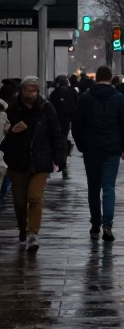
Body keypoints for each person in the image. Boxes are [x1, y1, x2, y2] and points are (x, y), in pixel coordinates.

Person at [71, 64, 124, 242]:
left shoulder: (85, 98)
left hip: (91, 149)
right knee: (108, 187)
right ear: (110, 77)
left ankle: (95, 224)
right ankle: (107, 224)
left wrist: (82, 145)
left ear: (96, 78)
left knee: (93, 187)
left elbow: (76, 124)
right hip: (112, 149)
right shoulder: (119, 99)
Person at [1, 77, 64, 251]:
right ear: (21, 91)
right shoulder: (13, 109)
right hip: (17, 161)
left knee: (35, 198)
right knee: (20, 201)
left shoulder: (46, 108)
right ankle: (22, 228)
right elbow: (2, 139)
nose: (30, 94)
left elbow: (55, 133)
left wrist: (59, 158)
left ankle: (32, 234)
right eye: (27, 91)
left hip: (40, 161)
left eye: (33, 91)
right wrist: (12, 132)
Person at [48, 75, 77, 179]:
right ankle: (63, 162)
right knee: (63, 140)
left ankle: (57, 163)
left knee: (54, 141)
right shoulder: (73, 92)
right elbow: (76, 107)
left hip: (55, 121)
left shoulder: (54, 94)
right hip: (65, 122)